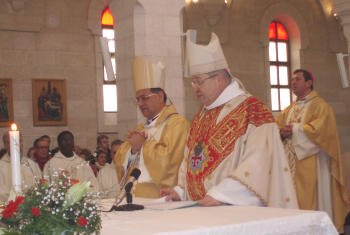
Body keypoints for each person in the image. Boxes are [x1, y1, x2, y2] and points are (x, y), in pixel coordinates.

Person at [160, 30, 298, 208]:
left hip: (235, 209)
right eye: (192, 82)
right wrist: (180, 191)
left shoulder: (253, 111)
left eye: (199, 81)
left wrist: (222, 194)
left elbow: (260, 163)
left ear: (219, 78)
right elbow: (191, 161)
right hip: (200, 209)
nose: (195, 88)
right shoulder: (201, 116)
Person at [275, 69, 350, 231]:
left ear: (309, 83)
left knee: (310, 197)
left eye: (298, 79)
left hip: (312, 162)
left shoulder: (321, 106)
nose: (293, 82)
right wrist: (281, 132)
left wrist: (294, 130)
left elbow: (321, 130)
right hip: (290, 163)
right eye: (292, 79)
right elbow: (277, 126)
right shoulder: (290, 109)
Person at [115, 57, 190, 198]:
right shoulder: (140, 128)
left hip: (159, 196)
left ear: (160, 96)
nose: (140, 103)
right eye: (137, 100)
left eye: (144, 98)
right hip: (131, 194)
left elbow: (170, 164)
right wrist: (132, 150)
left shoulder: (177, 124)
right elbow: (119, 159)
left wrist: (143, 146)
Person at [0, 132, 41, 202]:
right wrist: (19, 200)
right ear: (5, 145)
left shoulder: (32, 164)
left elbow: (40, 185)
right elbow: (2, 193)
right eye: (10, 142)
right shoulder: (1, 166)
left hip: (31, 207)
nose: (16, 144)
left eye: (19, 141)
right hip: (9, 207)